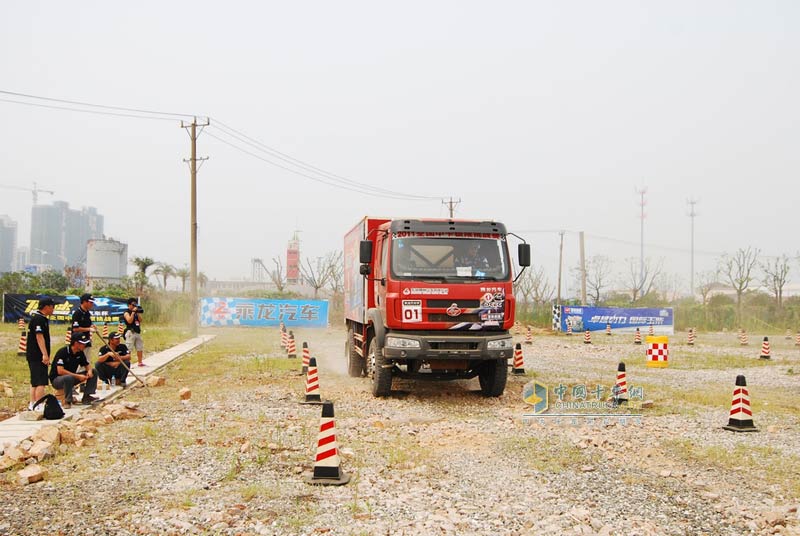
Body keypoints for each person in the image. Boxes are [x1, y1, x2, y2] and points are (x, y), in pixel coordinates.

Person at [50, 332, 99, 408]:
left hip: (72, 377)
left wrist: (89, 371)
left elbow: (87, 365)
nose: (85, 345)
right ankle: (68, 401)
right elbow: (60, 371)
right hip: (57, 379)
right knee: (68, 377)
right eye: (83, 343)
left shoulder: (80, 353)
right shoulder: (63, 352)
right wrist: (77, 376)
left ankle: (87, 396)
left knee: (93, 371)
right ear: (76, 343)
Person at [26, 297, 56, 410]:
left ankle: (33, 403)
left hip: (33, 354)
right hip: (37, 355)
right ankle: (38, 405)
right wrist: (45, 354)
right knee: (40, 381)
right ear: (47, 307)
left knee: (34, 380)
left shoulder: (40, 318)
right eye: (52, 307)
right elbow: (39, 337)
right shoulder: (39, 319)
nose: (53, 309)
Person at [72, 293, 97, 358]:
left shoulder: (87, 313)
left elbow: (88, 324)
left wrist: (92, 326)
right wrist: (89, 329)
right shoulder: (77, 313)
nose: (92, 304)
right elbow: (75, 329)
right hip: (79, 342)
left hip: (87, 340)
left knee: (87, 360)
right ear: (84, 302)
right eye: (90, 302)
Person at [123, 298, 145, 367]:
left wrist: (137, 313)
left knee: (140, 347)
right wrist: (132, 312)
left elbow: (140, 320)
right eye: (133, 305)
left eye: (135, 305)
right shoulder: (126, 312)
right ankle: (127, 363)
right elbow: (129, 321)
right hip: (130, 332)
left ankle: (140, 362)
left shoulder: (136, 312)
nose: (134, 306)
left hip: (137, 331)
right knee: (129, 348)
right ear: (129, 305)